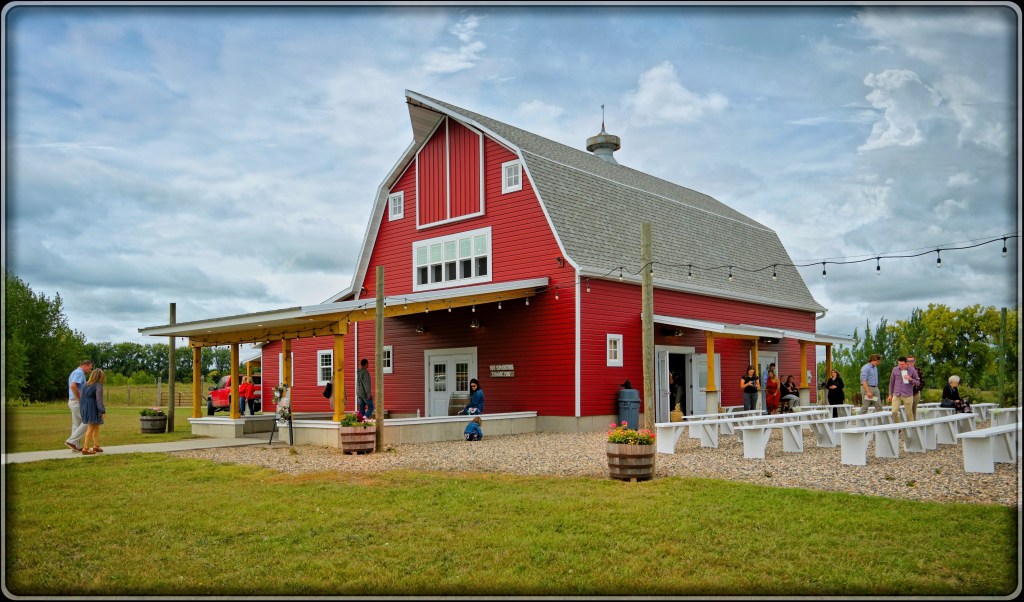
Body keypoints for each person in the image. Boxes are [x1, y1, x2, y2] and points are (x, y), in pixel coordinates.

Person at [65, 359, 93, 452]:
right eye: (90, 367)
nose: (90, 370)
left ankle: (75, 446)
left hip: (72, 402)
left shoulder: (75, 372)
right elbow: (73, 386)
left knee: (76, 424)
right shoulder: (79, 373)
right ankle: (72, 441)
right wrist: (79, 398)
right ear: (85, 365)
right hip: (77, 402)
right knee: (88, 421)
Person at [79, 368, 107, 455]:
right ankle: (86, 448)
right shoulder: (98, 385)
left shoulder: (86, 385)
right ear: (100, 376)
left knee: (96, 426)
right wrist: (102, 411)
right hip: (92, 407)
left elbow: (82, 397)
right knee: (91, 426)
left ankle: (96, 445)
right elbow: (99, 399)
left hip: (84, 406)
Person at [887, 355, 919, 423]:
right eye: (899, 364)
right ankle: (899, 429)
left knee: (909, 414)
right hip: (896, 394)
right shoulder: (895, 369)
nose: (900, 366)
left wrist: (910, 379)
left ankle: (911, 430)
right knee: (894, 412)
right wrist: (890, 394)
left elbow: (918, 383)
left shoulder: (912, 370)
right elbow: (891, 382)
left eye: (902, 364)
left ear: (906, 363)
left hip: (907, 395)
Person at [907, 354, 923, 419]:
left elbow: (922, 381)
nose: (910, 362)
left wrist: (918, 389)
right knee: (908, 410)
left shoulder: (918, 370)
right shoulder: (904, 370)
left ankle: (914, 425)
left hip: (916, 393)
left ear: (914, 361)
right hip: (906, 393)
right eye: (908, 361)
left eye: (912, 361)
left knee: (914, 410)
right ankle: (907, 425)